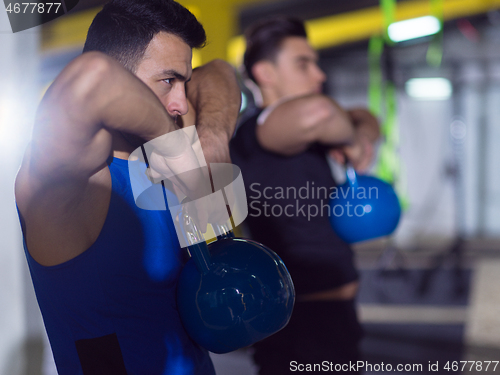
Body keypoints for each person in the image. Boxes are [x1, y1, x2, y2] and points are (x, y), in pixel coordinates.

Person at [14, 0, 241, 374]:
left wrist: (213, 139)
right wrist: (171, 140)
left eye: (183, 82)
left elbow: (219, 72)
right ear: (121, 73)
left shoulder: (161, 158)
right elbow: (91, 77)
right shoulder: (74, 178)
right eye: (168, 81)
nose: (180, 102)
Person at [230, 16, 380, 374]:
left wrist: (359, 132)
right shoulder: (262, 128)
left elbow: (364, 115)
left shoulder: (303, 128)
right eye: (304, 64)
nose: (319, 74)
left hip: (332, 320)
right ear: (266, 73)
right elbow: (322, 111)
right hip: (301, 328)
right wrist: (350, 139)